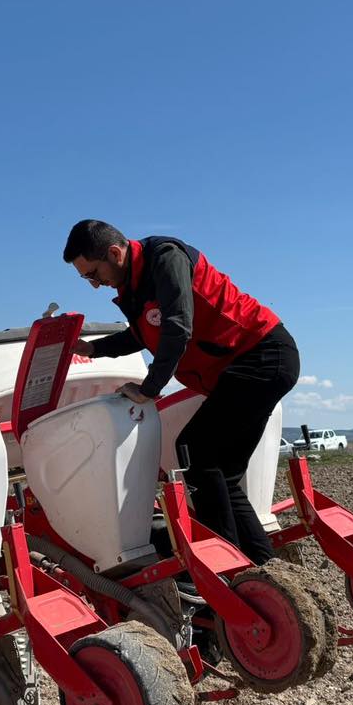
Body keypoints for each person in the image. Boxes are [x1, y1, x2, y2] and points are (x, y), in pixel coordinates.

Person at [61, 219, 296, 565]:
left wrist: (149, 389)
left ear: (114, 253)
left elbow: (176, 326)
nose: (96, 285)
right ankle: (265, 570)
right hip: (253, 364)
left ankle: (226, 568)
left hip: (261, 355)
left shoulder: (165, 259)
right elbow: (141, 335)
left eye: (93, 274)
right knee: (221, 473)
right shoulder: (135, 286)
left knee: (195, 448)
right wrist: (91, 350)